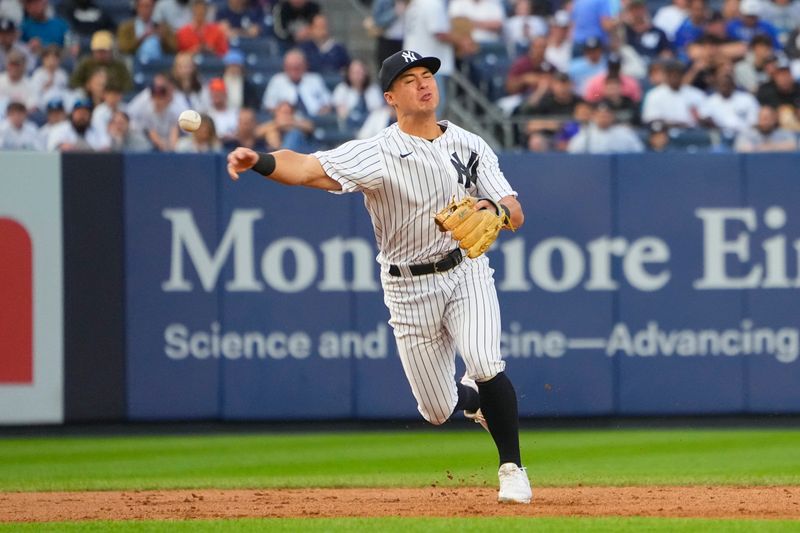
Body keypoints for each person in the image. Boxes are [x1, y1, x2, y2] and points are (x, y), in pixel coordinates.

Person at [226, 49, 532, 504]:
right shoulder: (377, 153)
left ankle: (512, 470)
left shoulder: (470, 143)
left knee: (486, 361)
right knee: (436, 409)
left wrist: (493, 209)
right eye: (410, 80)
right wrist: (260, 161)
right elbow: (307, 168)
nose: (424, 83)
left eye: (427, 74)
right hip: (408, 287)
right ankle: (475, 404)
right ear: (391, 97)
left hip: (465, 270)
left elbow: (516, 210)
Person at [261, 48, 331, 116]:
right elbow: (269, 107)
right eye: (290, 67)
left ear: (305, 66)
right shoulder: (277, 80)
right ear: (284, 67)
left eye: (297, 67)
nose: (294, 71)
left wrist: (322, 113)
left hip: (316, 119)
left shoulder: (315, 79)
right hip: (288, 122)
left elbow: (328, 103)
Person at [567, 101, 645, 153]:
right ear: (593, 116)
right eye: (600, 115)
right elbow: (573, 154)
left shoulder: (624, 133)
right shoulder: (585, 134)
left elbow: (639, 152)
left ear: (613, 116)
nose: (603, 119)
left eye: (607, 115)